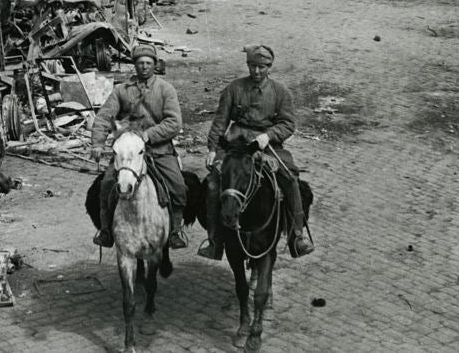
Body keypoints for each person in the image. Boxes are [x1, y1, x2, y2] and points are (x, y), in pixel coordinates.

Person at [198, 45, 314, 260]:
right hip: (235, 145)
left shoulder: (281, 92)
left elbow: (288, 124)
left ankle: (297, 236)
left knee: (290, 178)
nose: (257, 71)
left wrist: (269, 135)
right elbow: (220, 121)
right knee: (213, 184)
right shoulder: (234, 89)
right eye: (253, 66)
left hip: (268, 146)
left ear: (269, 67)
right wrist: (213, 149)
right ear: (248, 65)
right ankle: (214, 240)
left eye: (262, 67)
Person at [90, 44, 188, 249]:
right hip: (128, 151)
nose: (144, 67)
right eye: (140, 63)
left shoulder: (165, 89)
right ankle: (106, 230)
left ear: (155, 65)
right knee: (106, 184)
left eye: (148, 63)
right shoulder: (121, 90)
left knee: (178, 185)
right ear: (134, 65)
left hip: (158, 149)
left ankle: (175, 230)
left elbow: (174, 122)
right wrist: (98, 143)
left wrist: (148, 135)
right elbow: (104, 116)